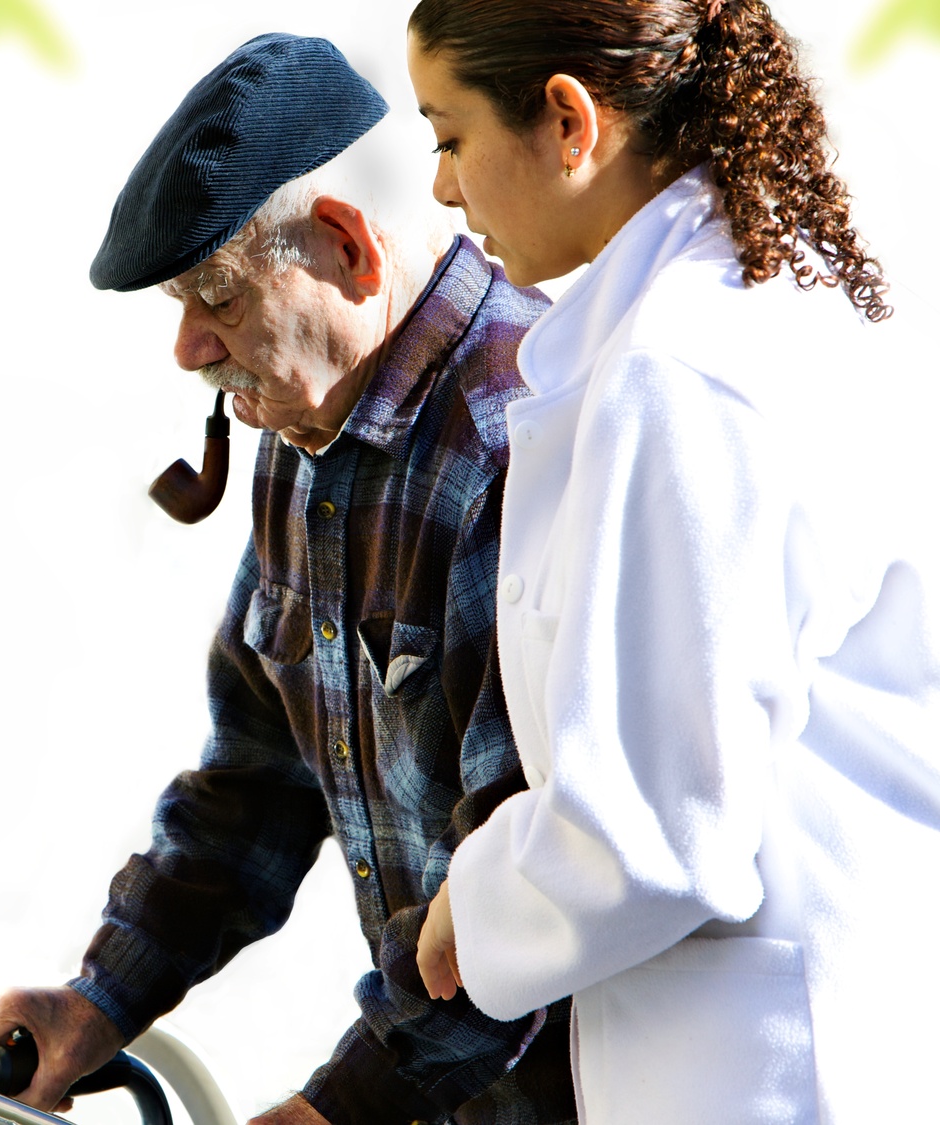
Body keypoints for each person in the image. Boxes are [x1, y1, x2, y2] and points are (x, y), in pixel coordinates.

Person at [0, 33, 577, 1125]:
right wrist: (99, 999)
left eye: (216, 295)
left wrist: (328, 1111)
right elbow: (251, 786)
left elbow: (534, 877)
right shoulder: (298, 449)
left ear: (346, 247)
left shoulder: (516, 441)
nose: (188, 352)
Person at [403, 3, 940, 1123]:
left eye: (448, 137)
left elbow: (652, 830)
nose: (443, 190)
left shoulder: (678, 371)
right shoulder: (756, 305)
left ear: (565, 121)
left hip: (772, 1083)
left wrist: (476, 896)